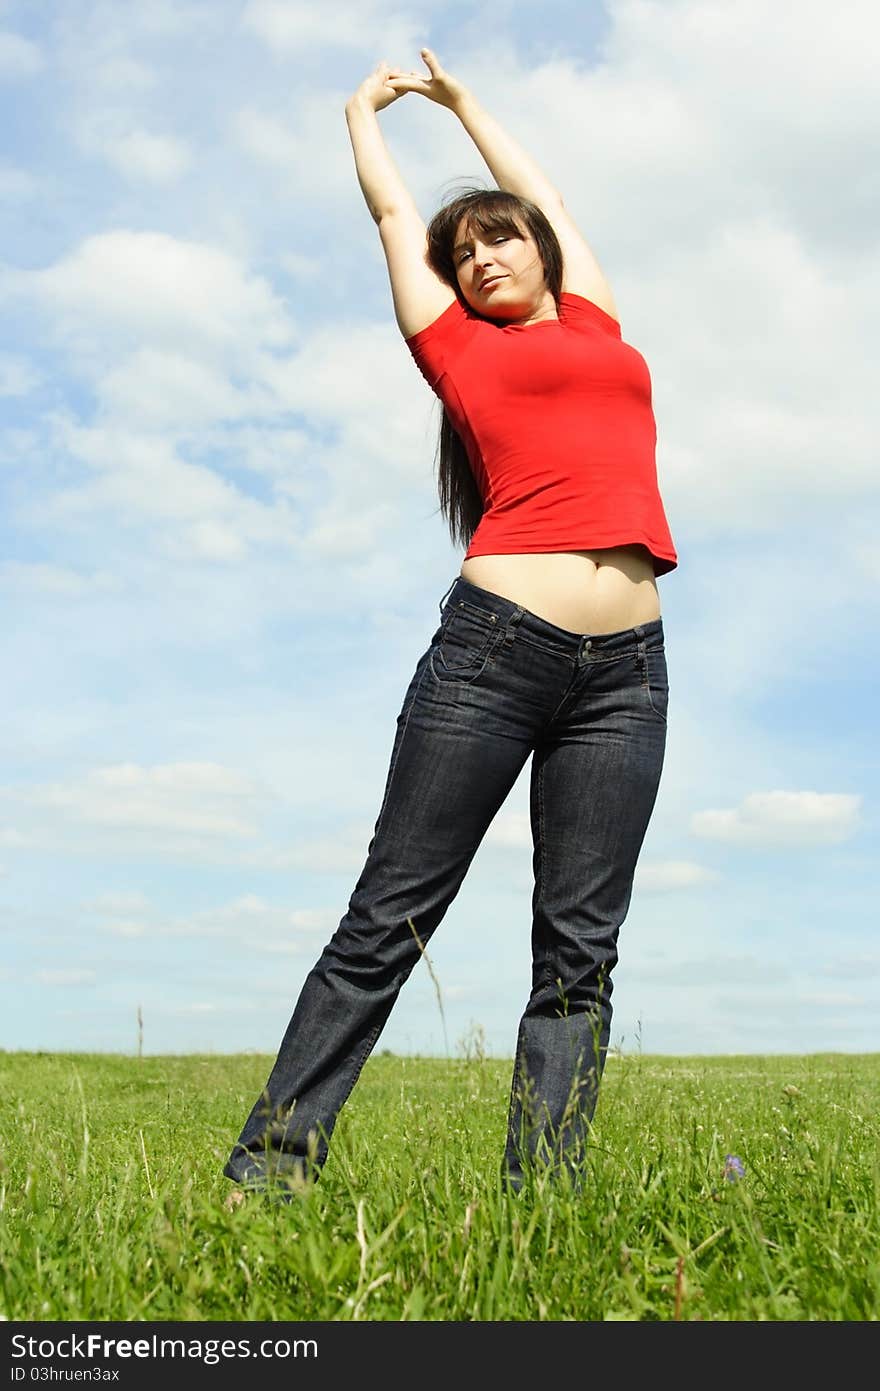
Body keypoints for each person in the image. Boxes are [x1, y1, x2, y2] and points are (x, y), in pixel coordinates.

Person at [224, 48, 676, 1200]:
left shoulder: (597, 321)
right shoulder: (454, 347)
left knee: (581, 947)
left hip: (628, 670)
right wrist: (361, 114)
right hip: (494, 651)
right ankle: (269, 1171)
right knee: (392, 911)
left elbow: (552, 198)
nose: (480, 258)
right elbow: (386, 206)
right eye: (461, 252)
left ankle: (542, 1200)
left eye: (497, 238)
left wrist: (463, 103)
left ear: (537, 248)